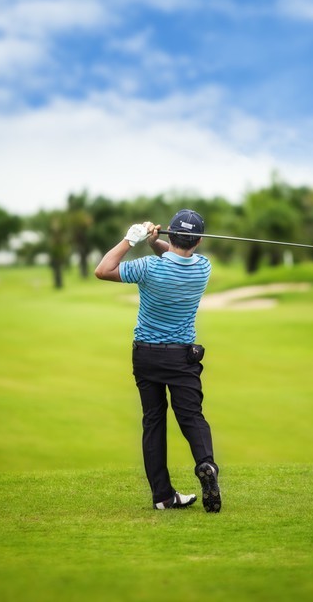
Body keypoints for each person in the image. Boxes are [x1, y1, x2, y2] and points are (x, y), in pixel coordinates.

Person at [95, 209, 221, 513]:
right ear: (199, 241)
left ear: (171, 235)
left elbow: (103, 269)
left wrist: (131, 239)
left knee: (153, 421)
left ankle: (163, 496)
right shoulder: (203, 267)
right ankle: (206, 464)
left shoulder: (148, 268)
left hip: (146, 355)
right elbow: (176, 256)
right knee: (191, 416)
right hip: (181, 356)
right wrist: (154, 242)